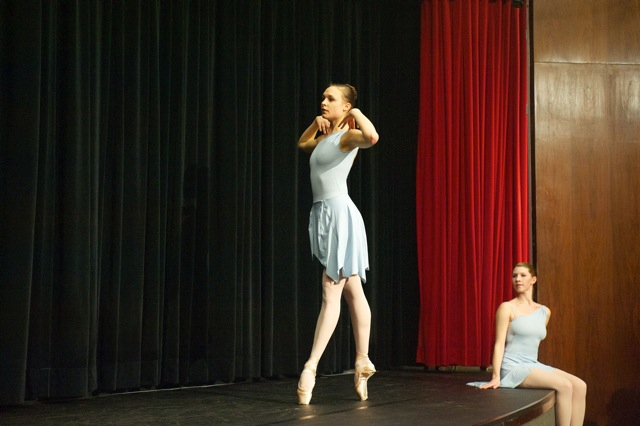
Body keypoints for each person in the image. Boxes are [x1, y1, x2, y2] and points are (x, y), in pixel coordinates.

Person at [296, 83, 379, 405]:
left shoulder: (347, 137)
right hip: (325, 213)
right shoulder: (327, 138)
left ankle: (310, 367)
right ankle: (362, 360)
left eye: (331, 98)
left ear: (345, 106)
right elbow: (304, 145)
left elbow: (372, 138)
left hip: (338, 214)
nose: (324, 101)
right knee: (353, 288)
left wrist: (356, 113)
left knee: (331, 290)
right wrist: (315, 124)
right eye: (323, 97)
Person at [478, 262, 587, 426]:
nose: (517, 279)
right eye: (514, 276)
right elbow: (499, 344)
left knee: (580, 386)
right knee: (564, 386)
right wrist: (496, 375)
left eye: (523, 275)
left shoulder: (544, 311)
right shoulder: (507, 307)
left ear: (533, 280)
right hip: (512, 365)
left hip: (532, 363)